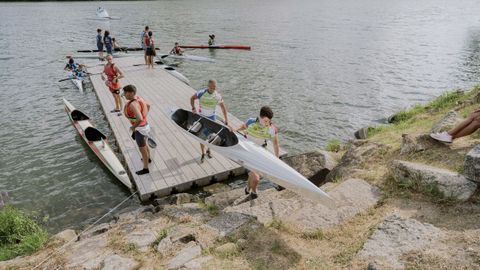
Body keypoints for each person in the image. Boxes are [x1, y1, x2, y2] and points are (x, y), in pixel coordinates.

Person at [235, 106, 280, 199]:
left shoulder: (272, 128)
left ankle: (247, 188)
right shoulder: (251, 121)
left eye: (269, 121)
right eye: (266, 121)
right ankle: (254, 192)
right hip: (247, 152)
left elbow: (275, 144)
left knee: (253, 174)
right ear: (260, 117)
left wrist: (277, 159)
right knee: (256, 178)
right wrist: (234, 130)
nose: (268, 123)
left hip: (261, 153)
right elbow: (243, 126)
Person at [190, 79, 230, 163]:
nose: (213, 88)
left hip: (212, 119)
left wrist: (226, 119)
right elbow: (192, 98)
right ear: (208, 86)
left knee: (212, 137)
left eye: (214, 87)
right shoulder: (201, 93)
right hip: (202, 119)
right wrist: (193, 108)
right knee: (201, 137)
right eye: (211, 87)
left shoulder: (217, 96)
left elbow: (223, 108)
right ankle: (203, 153)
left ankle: (208, 150)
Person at [123, 85, 151, 175]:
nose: (124, 95)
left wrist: (133, 127)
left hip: (140, 129)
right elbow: (148, 105)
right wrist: (144, 115)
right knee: (145, 144)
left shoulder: (132, 104)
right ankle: (148, 158)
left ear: (131, 93)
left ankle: (145, 168)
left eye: (125, 93)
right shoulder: (139, 98)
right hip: (145, 126)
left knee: (142, 149)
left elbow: (139, 118)